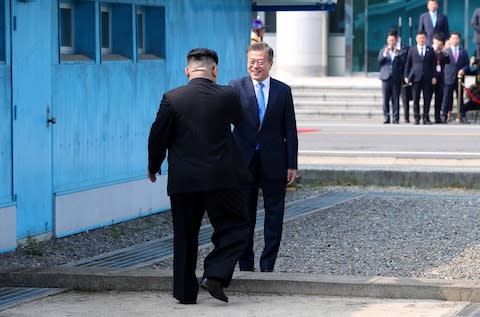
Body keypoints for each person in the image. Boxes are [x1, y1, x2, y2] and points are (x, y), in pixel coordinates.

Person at [147, 48, 249, 304]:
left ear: (187, 71)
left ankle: (184, 294)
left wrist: (153, 165)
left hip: (183, 181)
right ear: (215, 71)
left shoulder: (172, 98)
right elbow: (244, 124)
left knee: (184, 235)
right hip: (221, 179)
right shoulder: (229, 94)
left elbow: (158, 135)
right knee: (237, 227)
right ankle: (214, 274)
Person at [229, 42, 298, 273]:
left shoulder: (283, 90)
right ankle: (245, 266)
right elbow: (223, 124)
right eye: (251, 62)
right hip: (242, 162)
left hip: (274, 162)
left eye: (260, 62)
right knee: (243, 216)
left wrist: (292, 164)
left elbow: (290, 129)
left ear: (270, 63)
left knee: (274, 214)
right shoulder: (235, 87)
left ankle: (268, 265)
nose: (255, 66)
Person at [404, 30, 437, 124]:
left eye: (423, 38)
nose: (421, 40)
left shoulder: (430, 50)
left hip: (427, 78)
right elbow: (408, 64)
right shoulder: (412, 50)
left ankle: (426, 118)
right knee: (416, 99)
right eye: (419, 38)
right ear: (416, 39)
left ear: (426, 39)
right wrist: (406, 76)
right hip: (416, 78)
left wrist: (434, 76)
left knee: (427, 99)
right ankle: (416, 118)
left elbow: (433, 64)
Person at [378, 30, 406, 124]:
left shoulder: (399, 51)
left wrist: (396, 55)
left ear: (396, 41)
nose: (391, 42)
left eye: (393, 40)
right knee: (385, 99)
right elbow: (379, 62)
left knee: (395, 99)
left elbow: (403, 63)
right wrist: (385, 54)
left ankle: (396, 118)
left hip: (396, 78)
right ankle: (386, 117)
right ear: (387, 40)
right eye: (390, 40)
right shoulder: (383, 50)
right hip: (385, 77)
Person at [441, 32, 469, 123]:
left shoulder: (463, 51)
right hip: (448, 77)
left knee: (460, 98)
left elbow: (467, 65)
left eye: (456, 38)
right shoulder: (446, 51)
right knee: (447, 97)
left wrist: (463, 70)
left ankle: (462, 115)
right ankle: (444, 115)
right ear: (450, 40)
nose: (455, 40)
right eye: (453, 38)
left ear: (459, 40)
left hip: (459, 78)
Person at [431, 33, 449, 123]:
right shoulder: (429, 50)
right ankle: (425, 116)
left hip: (440, 77)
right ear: (434, 40)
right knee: (428, 98)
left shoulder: (442, 52)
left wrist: (444, 52)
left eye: (441, 42)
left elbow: (448, 61)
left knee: (439, 98)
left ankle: (437, 117)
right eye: (438, 41)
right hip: (431, 78)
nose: (439, 44)